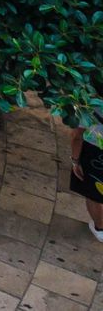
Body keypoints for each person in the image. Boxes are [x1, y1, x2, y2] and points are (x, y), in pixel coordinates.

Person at [70, 102, 103, 241]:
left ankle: (100, 228)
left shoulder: (88, 101)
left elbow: (77, 137)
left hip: (94, 152)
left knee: (93, 194)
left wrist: (75, 161)